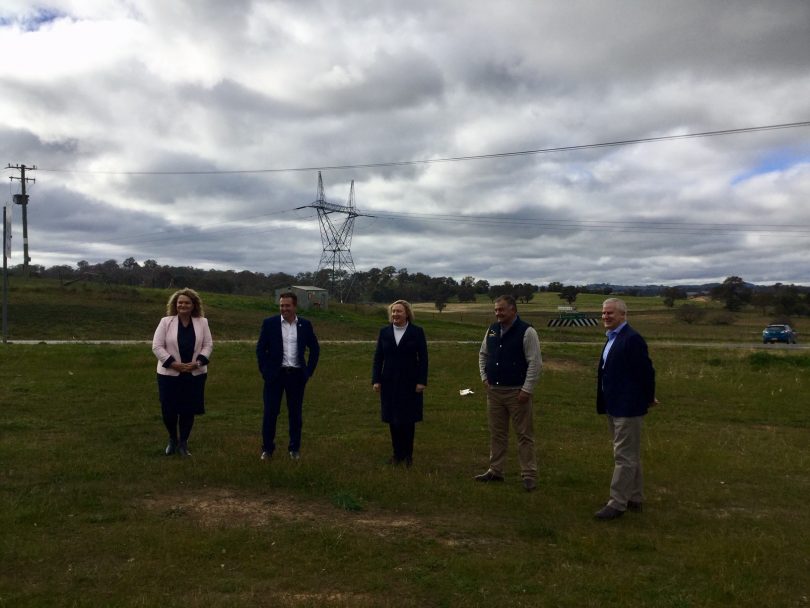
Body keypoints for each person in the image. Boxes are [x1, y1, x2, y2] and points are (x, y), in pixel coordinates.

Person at [594, 297, 657, 520]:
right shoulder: (613, 337)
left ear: (623, 315)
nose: (605, 317)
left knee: (623, 456)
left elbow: (646, 372)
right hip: (613, 404)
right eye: (603, 313)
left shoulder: (632, 339)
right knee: (629, 454)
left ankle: (617, 502)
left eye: (610, 313)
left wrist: (648, 397)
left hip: (627, 406)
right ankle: (635, 497)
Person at [476, 294, 543, 492]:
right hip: (494, 391)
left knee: (524, 435)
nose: (498, 313)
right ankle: (495, 470)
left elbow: (535, 363)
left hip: (517, 392)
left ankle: (529, 475)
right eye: (496, 310)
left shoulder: (527, 331)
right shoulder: (492, 330)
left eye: (502, 309)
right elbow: (483, 354)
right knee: (497, 433)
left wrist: (527, 389)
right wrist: (484, 378)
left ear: (513, 310)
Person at [256, 291, 320, 460]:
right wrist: (265, 371)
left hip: (297, 376)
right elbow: (260, 349)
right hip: (275, 376)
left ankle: (294, 449)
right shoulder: (270, 324)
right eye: (281, 305)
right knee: (270, 413)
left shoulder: (305, 325)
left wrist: (308, 371)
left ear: (295, 306)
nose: (284, 308)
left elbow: (315, 348)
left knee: (295, 414)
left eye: (287, 306)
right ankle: (267, 449)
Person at [151, 288, 213, 457]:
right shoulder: (166, 322)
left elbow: (208, 345)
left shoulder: (202, 322)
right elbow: (157, 346)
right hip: (169, 374)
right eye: (180, 302)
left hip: (194, 374)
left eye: (187, 302)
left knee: (188, 409)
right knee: (169, 410)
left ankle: (183, 443)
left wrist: (198, 362)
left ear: (193, 305)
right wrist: (173, 364)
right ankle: (172, 438)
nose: (183, 305)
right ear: (175, 304)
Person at [372, 300, 428, 467]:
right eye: (393, 311)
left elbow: (424, 359)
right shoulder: (384, 332)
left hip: (410, 383)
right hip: (389, 382)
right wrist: (376, 379)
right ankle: (397, 455)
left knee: (408, 420)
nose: (395, 314)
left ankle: (408, 456)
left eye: (399, 311)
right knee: (393, 420)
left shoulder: (417, 332)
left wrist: (421, 381)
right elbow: (378, 358)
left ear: (407, 313)